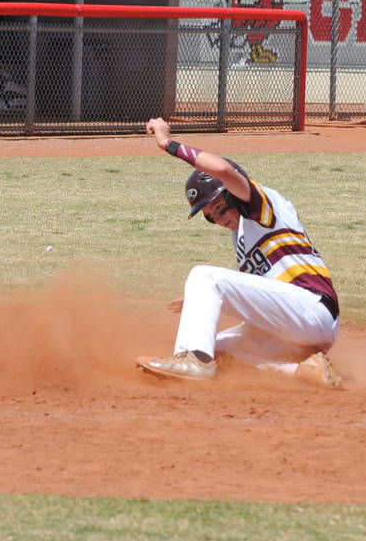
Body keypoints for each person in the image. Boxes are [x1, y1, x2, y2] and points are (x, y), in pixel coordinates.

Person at [135, 117, 343, 388]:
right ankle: (302, 371)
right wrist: (202, 301)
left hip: (311, 309)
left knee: (204, 276)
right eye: (210, 217)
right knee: (217, 350)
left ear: (233, 194)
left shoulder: (261, 203)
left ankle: (191, 360)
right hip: (296, 328)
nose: (219, 219)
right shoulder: (242, 238)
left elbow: (222, 168)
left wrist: (166, 143)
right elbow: (258, 298)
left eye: (219, 208)